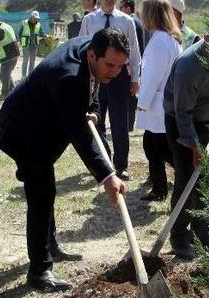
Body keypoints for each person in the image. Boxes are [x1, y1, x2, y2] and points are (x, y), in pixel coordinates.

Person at [0, 28, 129, 291]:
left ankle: (50, 246)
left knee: (47, 190)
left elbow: (94, 87)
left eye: (120, 66)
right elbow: (79, 134)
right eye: (110, 65)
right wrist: (107, 175)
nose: (115, 71)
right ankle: (39, 272)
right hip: (21, 132)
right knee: (41, 193)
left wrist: (94, 111)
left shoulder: (91, 50)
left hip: (44, 124)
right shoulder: (68, 77)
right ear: (92, 55)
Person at [163, 17, 209, 259]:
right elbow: (182, 113)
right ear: (208, 39)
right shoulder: (188, 66)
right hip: (181, 121)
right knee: (187, 178)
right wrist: (194, 146)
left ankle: (202, 233)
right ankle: (179, 238)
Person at [79, 0, 141, 181]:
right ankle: (104, 163)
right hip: (95, 75)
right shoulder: (89, 20)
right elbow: (81, 46)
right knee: (95, 120)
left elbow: (135, 51)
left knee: (119, 121)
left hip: (119, 74)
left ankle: (121, 165)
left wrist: (135, 78)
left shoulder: (126, 21)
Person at [137, 0, 181, 202]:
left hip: (158, 105)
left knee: (160, 148)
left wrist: (142, 102)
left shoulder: (160, 41)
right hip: (163, 103)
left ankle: (184, 178)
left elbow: (153, 76)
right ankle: (159, 188)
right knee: (153, 146)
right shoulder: (168, 39)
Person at [120, 0, 148, 131]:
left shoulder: (130, 21)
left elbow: (132, 45)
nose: (120, 9)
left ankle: (129, 124)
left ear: (127, 7)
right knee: (131, 94)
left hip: (131, 64)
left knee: (130, 95)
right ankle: (129, 124)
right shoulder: (137, 20)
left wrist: (130, 63)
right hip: (138, 61)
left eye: (121, 6)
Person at [19, 11, 45, 79]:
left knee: (32, 61)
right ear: (31, 17)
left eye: (37, 18)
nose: (36, 19)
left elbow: (42, 33)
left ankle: (30, 75)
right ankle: (23, 76)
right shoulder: (25, 23)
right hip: (26, 45)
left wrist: (45, 36)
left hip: (34, 45)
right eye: (35, 18)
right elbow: (20, 34)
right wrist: (21, 42)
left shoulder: (38, 24)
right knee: (25, 60)